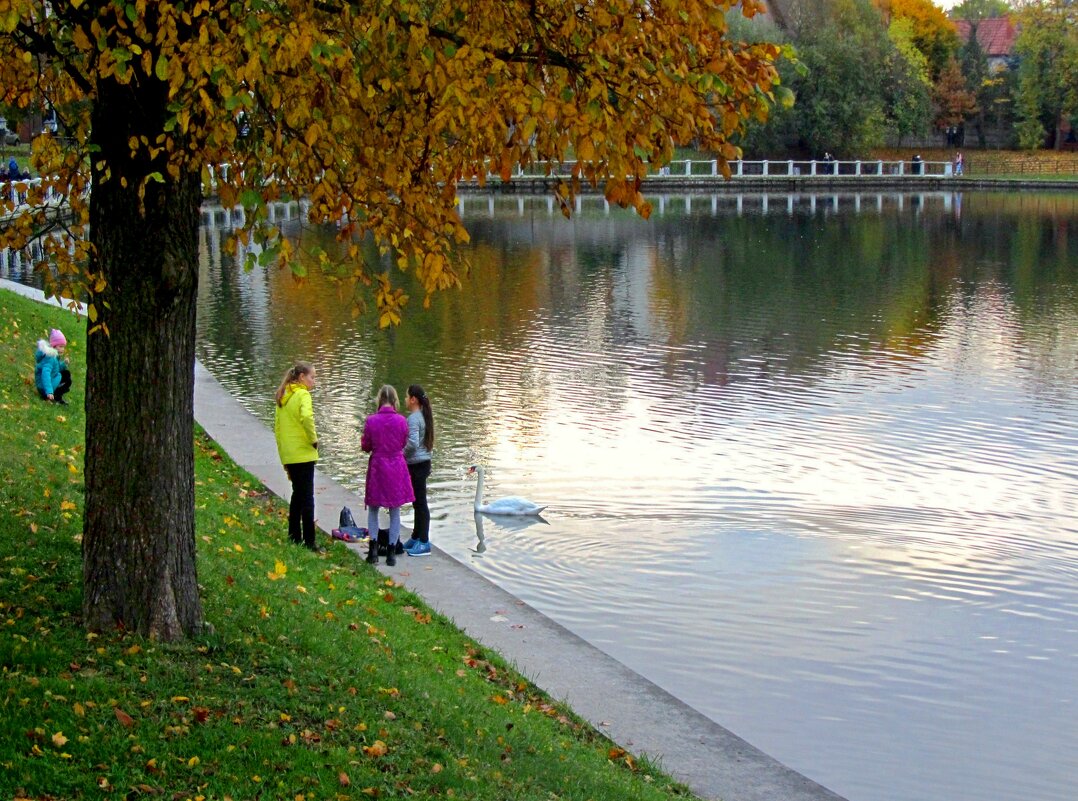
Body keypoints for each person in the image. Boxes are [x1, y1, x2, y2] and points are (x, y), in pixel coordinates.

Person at [361, 384, 413, 566]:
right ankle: (391, 553)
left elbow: (366, 445)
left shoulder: (371, 420)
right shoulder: (402, 421)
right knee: (395, 510)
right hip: (397, 466)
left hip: (378, 467)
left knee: (374, 509)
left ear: (379, 399)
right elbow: (404, 442)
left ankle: (373, 551)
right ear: (395, 400)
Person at [273, 362, 323, 553]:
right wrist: (314, 440)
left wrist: (283, 454)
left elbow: (278, 428)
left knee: (297, 494)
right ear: (302, 377)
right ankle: (309, 541)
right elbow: (307, 418)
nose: (314, 382)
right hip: (303, 452)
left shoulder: (283, 395)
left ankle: (294, 535)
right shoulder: (302, 395)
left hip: (289, 453)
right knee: (307, 497)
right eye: (312, 377)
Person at [401, 384, 434, 557]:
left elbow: (413, 444)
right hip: (423, 463)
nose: (405, 400)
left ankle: (424, 541)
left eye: (407, 397)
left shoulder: (414, 418)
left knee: (420, 503)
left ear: (413, 399)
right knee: (417, 502)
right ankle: (416, 536)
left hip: (417, 465)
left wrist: (401, 454)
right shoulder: (424, 416)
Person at [34, 328, 72, 404]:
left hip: (48, 383)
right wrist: (49, 391)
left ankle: (57, 393)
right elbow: (46, 375)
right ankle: (55, 396)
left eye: (63, 347)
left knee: (66, 374)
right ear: (54, 346)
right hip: (44, 388)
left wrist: (64, 364)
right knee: (66, 378)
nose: (63, 349)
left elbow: (56, 369)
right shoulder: (50, 358)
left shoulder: (54, 356)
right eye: (60, 346)